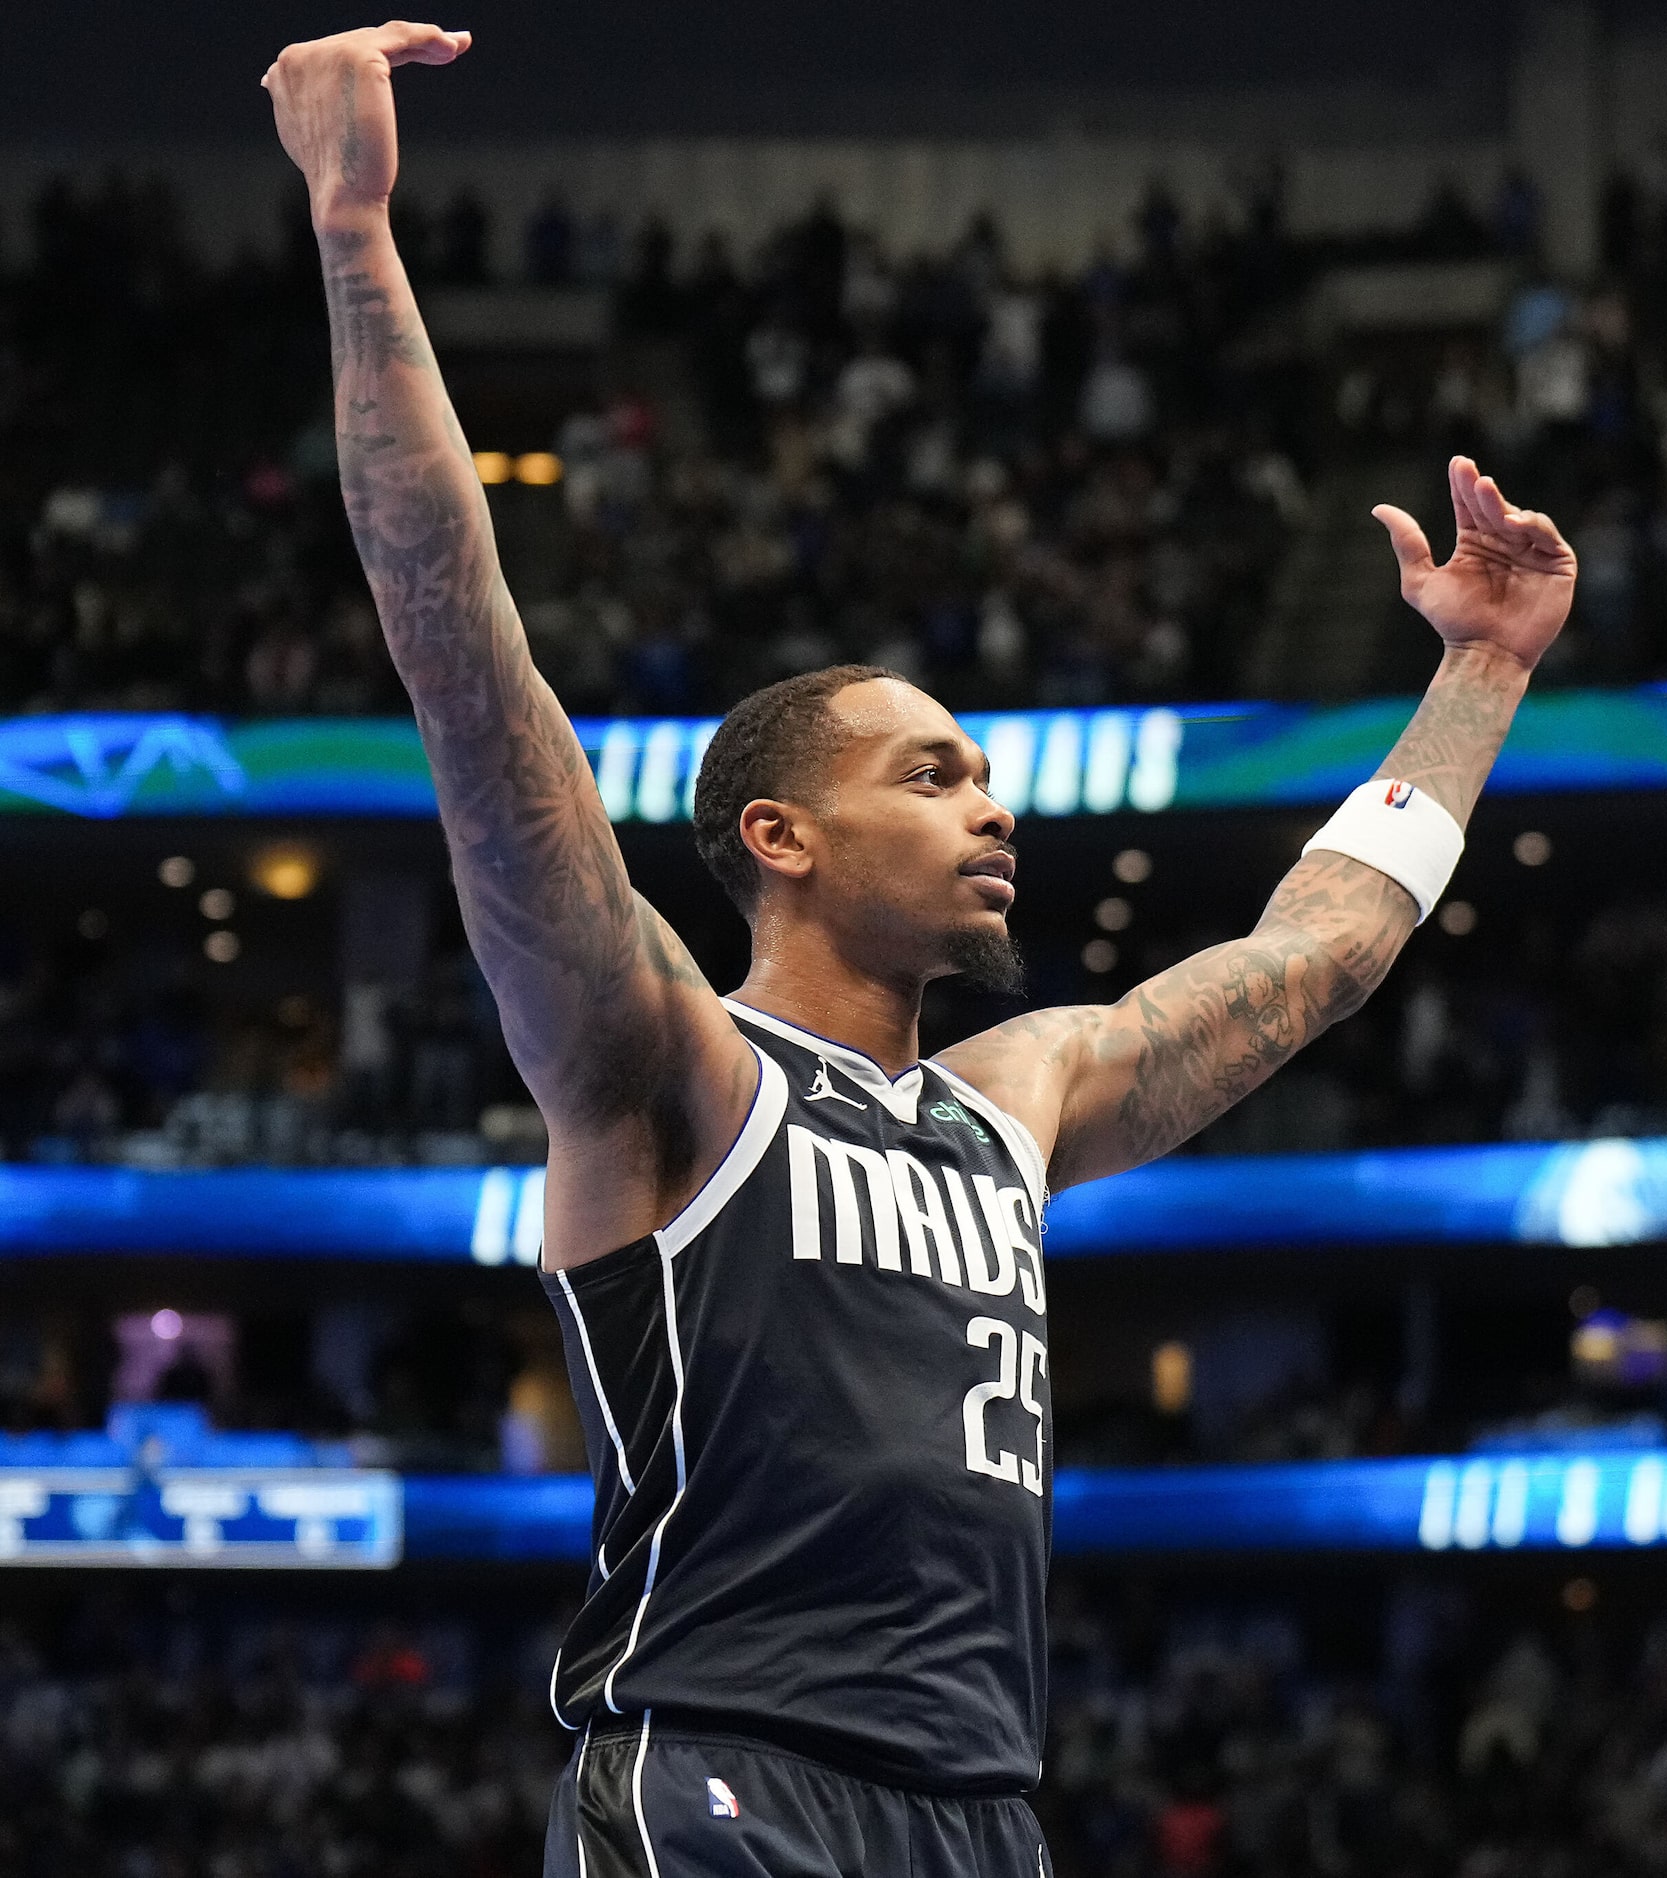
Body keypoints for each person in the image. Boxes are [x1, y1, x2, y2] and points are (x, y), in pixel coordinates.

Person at [260, 25, 1577, 1878]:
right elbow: (466, 660)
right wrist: (355, 227)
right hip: (719, 1775)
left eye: (991, 776)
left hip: (979, 1810)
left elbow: (1321, 948)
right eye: (935, 772)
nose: (994, 809)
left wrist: (1480, 671)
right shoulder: (668, 1066)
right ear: (780, 837)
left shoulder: (1015, 1096)